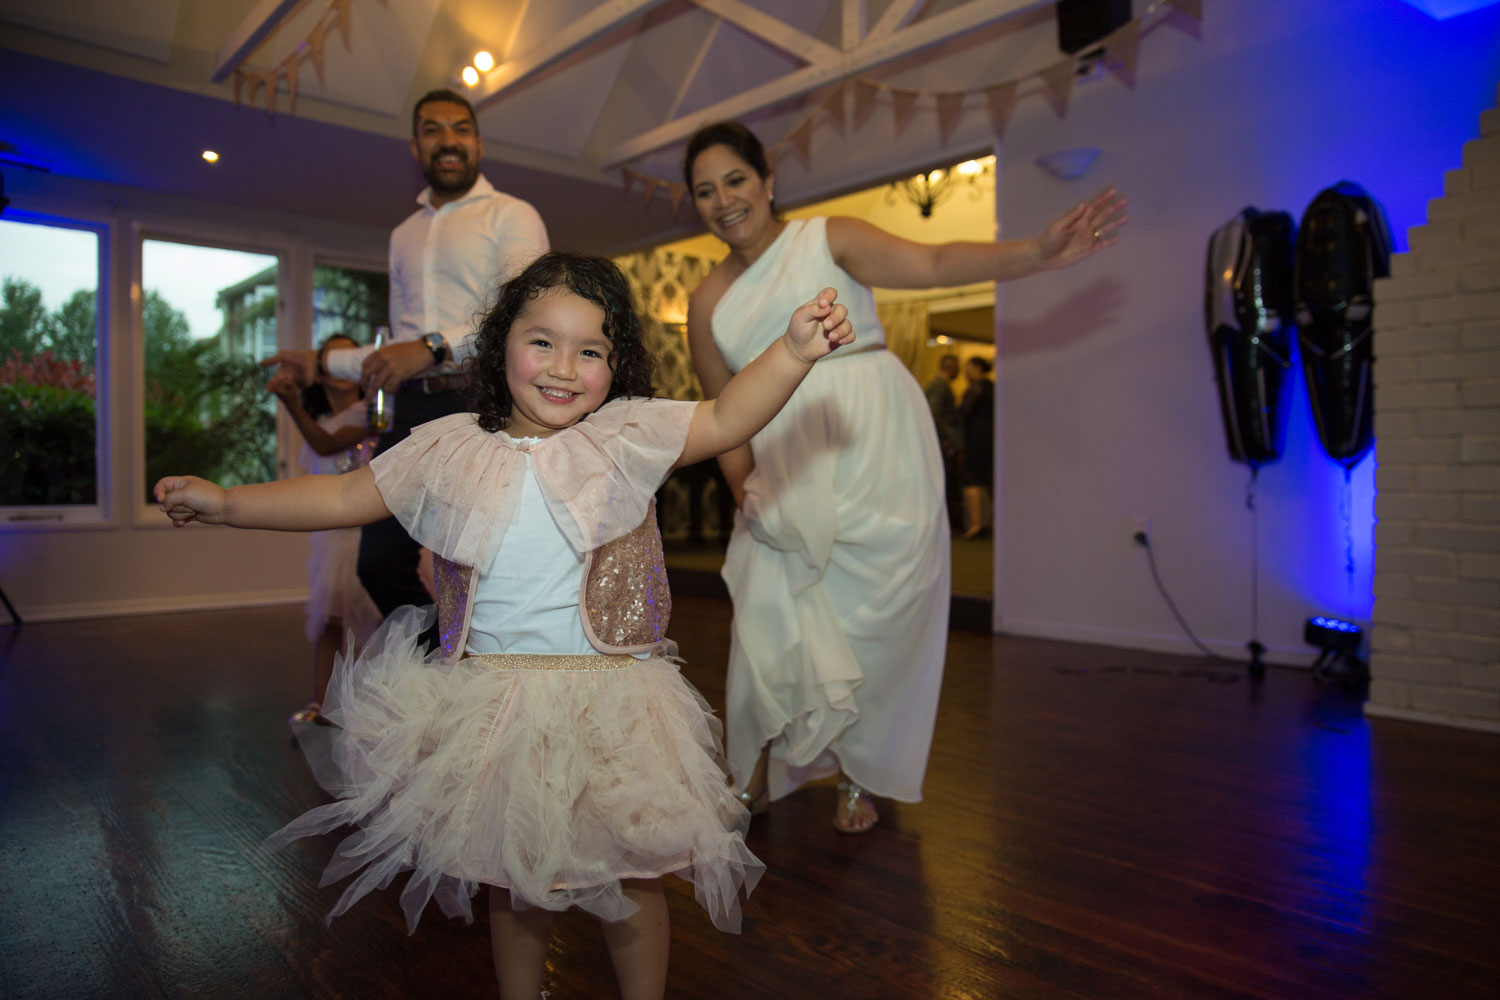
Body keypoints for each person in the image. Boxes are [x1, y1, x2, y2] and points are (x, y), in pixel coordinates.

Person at [154, 252, 856, 1000]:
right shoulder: (448, 446)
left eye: (591, 350)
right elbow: (343, 497)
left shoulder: (626, 437)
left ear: (614, 366)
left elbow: (726, 416)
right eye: (542, 341)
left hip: (610, 705)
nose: (564, 366)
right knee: (511, 880)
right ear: (500, 347)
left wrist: (792, 353)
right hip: (489, 707)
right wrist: (229, 502)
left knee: (631, 878)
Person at [682, 120, 1127, 834]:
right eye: (705, 191)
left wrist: (1035, 254)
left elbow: (934, 261)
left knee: (883, 617)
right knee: (771, 614)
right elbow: (722, 413)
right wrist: (744, 490)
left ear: (767, 182)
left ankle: (860, 772)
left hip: (880, 443)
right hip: (789, 461)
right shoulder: (705, 302)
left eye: (735, 180)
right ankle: (752, 774)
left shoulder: (829, 238)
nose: (723, 199)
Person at [262, 88, 548, 619]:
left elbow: (523, 316)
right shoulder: (403, 236)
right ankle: (441, 667)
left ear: (478, 144)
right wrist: (320, 364)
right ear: (415, 148)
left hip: (481, 402)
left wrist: (433, 348)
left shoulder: (512, 215)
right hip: (410, 411)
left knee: (480, 564)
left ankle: (482, 675)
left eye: (460, 128)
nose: (448, 140)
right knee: (379, 562)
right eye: (432, 129)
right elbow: (396, 348)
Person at [266, 333, 383, 725]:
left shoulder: (373, 413)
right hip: (331, 537)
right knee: (329, 623)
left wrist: (291, 404)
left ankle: (373, 704)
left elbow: (330, 446)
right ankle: (323, 705)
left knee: (372, 624)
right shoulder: (320, 419)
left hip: (363, 532)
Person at [924, 353, 964, 532]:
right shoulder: (940, 386)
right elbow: (934, 413)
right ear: (952, 367)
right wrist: (943, 439)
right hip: (941, 442)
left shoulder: (939, 384)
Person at [959, 356, 996, 541]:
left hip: (976, 437)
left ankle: (976, 524)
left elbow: (965, 412)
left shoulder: (976, 388)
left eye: (968, 367)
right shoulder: (995, 387)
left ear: (977, 368)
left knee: (971, 479)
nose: (965, 371)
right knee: (991, 479)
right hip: (993, 437)